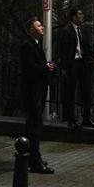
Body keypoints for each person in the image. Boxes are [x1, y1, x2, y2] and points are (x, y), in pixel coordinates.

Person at [58, 9, 94, 130]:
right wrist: (64, 67)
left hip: (83, 63)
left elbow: (87, 46)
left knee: (86, 91)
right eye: (80, 14)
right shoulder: (66, 31)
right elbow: (63, 50)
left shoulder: (83, 30)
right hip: (72, 63)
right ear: (73, 17)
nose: (82, 16)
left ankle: (86, 118)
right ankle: (71, 119)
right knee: (71, 92)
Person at [20, 17, 55, 174]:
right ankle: (35, 162)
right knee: (35, 126)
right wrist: (46, 67)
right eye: (38, 25)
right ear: (31, 30)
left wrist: (47, 67)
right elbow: (31, 69)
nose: (42, 27)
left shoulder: (35, 44)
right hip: (33, 92)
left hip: (37, 91)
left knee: (31, 126)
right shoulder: (28, 46)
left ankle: (29, 156)